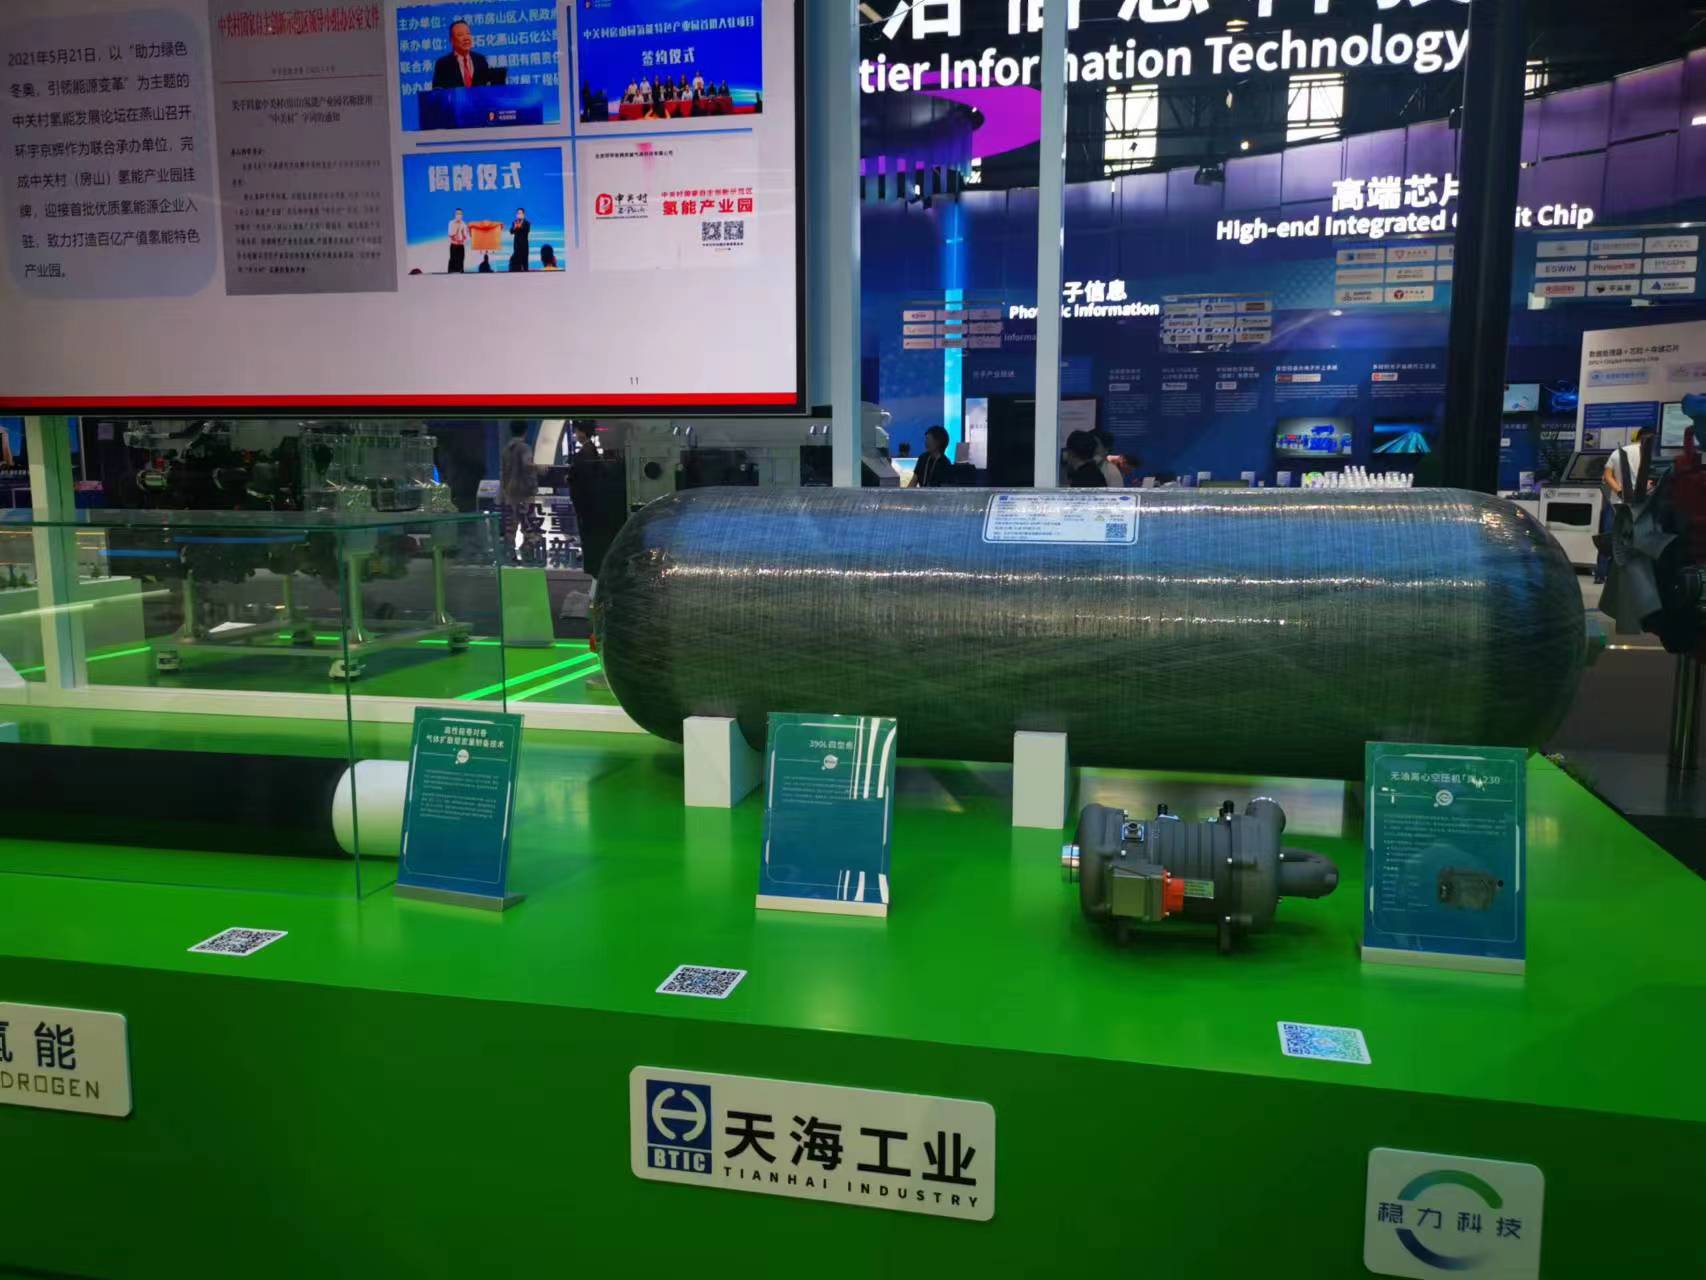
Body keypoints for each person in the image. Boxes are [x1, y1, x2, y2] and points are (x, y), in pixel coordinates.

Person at [500, 422, 539, 563]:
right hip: (525, 493)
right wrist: (540, 469)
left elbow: (503, 473)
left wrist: (505, 491)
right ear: (525, 431)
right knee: (528, 526)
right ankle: (528, 556)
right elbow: (527, 465)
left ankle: (510, 556)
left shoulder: (506, 450)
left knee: (510, 528)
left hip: (510, 494)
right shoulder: (525, 448)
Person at [432, 20, 495, 90]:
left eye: (468, 34)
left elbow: (487, 87)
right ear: (452, 40)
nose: (466, 38)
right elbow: (437, 91)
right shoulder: (443, 64)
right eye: (460, 35)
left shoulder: (480, 60)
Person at [447, 208, 468, 273]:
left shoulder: (463, 224)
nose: (459, 215)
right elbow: (450, 234)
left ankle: (460, 273)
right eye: (457, 213)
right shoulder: (451, 223)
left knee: (461, 259)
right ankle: (451, 272)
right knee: (452, 259)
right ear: (455, 214)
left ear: (462, 215)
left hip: (461, 245)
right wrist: (456, 231)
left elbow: (465, 235)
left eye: (460, 214)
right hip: (454, 245)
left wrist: (462, 239)